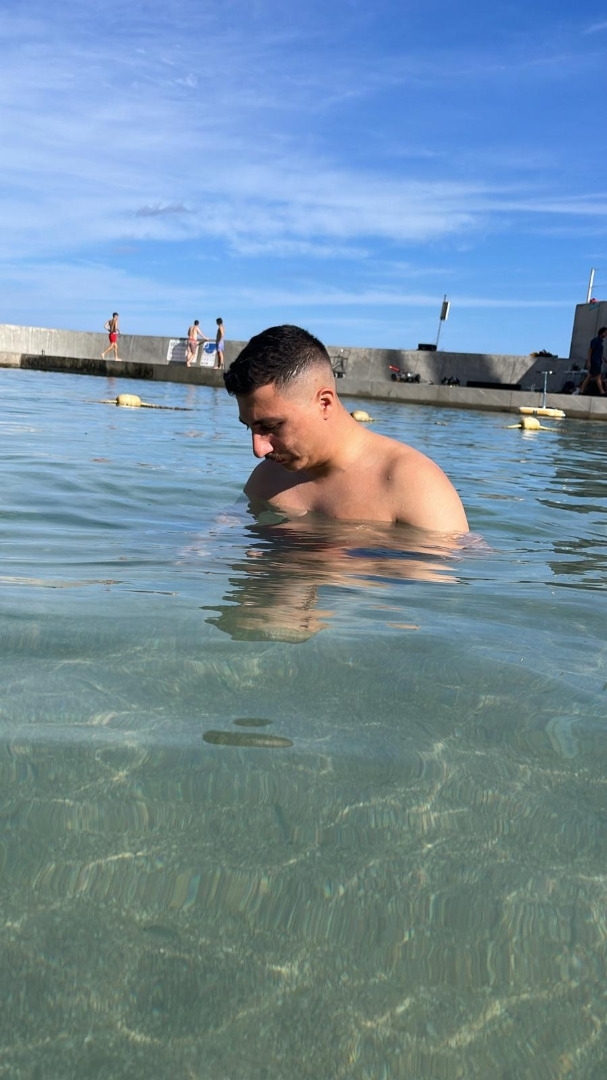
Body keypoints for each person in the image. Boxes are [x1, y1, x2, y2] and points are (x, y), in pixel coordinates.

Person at [223, 324, 469, 533]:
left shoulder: (414, 486)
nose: (258, 449)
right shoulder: (267, 478)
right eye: (249, 428)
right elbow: (220, 539)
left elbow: (449, 569)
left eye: (271, 426)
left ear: (324, 403)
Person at [580, 327, 607, 395]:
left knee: (589, 376)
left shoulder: (600, 342)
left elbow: (599, 353)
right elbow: (590, 350)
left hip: (598, 361)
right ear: (602, 332)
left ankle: (581, 390)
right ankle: (602, 391)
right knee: (598, 376)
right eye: (605, 333)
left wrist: (604, 359)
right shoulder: (595, 340)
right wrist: (589, 361)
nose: (606, 334)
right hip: (595, 361)